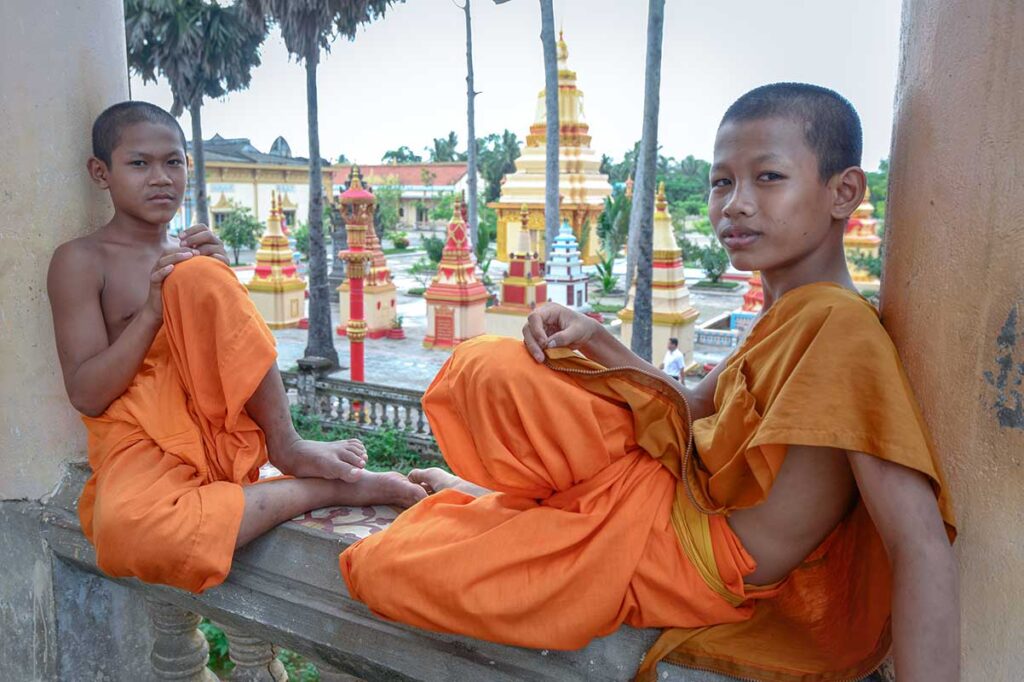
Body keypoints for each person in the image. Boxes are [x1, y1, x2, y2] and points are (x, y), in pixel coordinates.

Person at [339, 84, 959, 681]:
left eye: (768, 177)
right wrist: (596, 336)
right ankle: (496, 502)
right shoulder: (786, 315)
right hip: (662, 497)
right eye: (722, 182)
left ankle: (502, 508)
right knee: (490, 366)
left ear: (843, 191)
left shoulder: (843, 327)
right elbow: (689, 409)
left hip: (686, 548)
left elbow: (918, 540)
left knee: (388, 565)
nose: (735, 203)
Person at [47, 101, 425, 594]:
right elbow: (87, 393)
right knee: (127, 533)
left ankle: (288, 447)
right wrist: (151, 313)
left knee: (200, 275)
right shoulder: (81, 260)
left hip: (218, 431)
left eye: (173, 162)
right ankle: (320, 490)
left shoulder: (195, 255)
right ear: (101, 172)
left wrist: (217, 283)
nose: (160, 177)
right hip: (140, 439)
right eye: (139, 163)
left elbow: (235, 356)